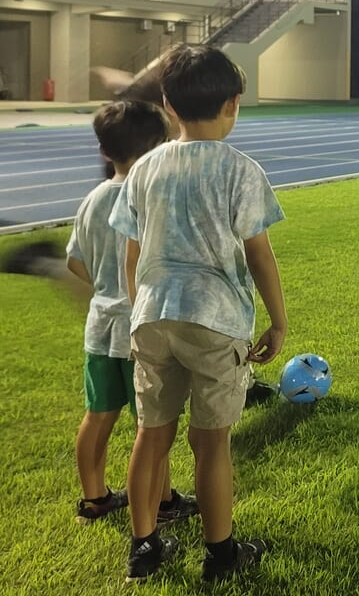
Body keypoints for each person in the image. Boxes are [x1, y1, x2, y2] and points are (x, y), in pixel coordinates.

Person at [110, 45, 288, 583]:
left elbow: (132, 254)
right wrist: (278, 322)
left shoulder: (144, 168)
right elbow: (259, 253)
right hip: (216, 320)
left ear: (168, 105)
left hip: (153, 315)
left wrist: (141, 305)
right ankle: (221, 555)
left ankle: (144, 547)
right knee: (211, 443)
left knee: (151, 433)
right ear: (234, 104)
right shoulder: (241, 171)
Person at [66, 100, 198, 528]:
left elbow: (75, 262)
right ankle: (161, 504)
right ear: (160, 147)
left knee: (98, 414)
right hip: (141, 326)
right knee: (152, 426)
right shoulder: (150, 197)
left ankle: (95, 498)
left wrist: (104, 288)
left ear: (105, 151)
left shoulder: (92, 200)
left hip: (100, 326)